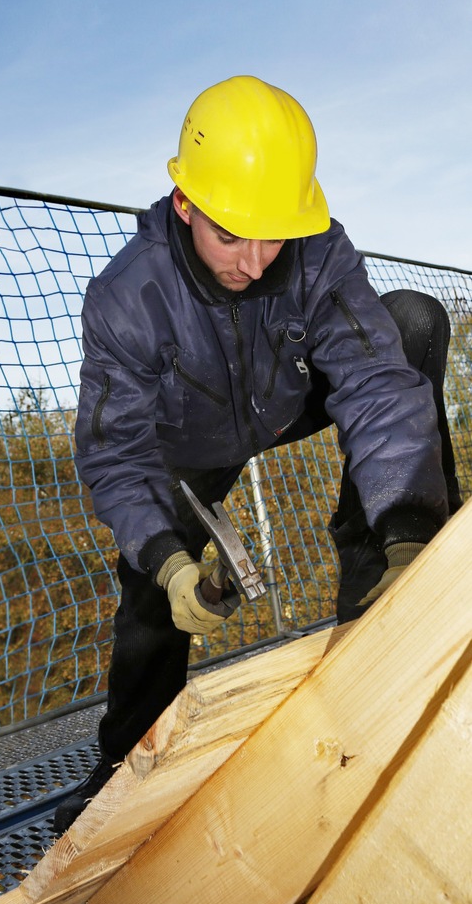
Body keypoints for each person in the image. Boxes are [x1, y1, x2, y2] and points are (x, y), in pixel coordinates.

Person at [54, 75, 461, 834]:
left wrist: (410, 525)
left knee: (410, 324)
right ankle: (116, 776)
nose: (255, 258)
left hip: (288, 400)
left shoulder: (315, 252)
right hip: (189, 444)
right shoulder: (125, 297)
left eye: (274, 233)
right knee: (151, 607)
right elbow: (115, 453)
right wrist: (169, 561)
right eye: (231, 235)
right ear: (186, 205)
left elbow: (373, 380)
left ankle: (385, 578)